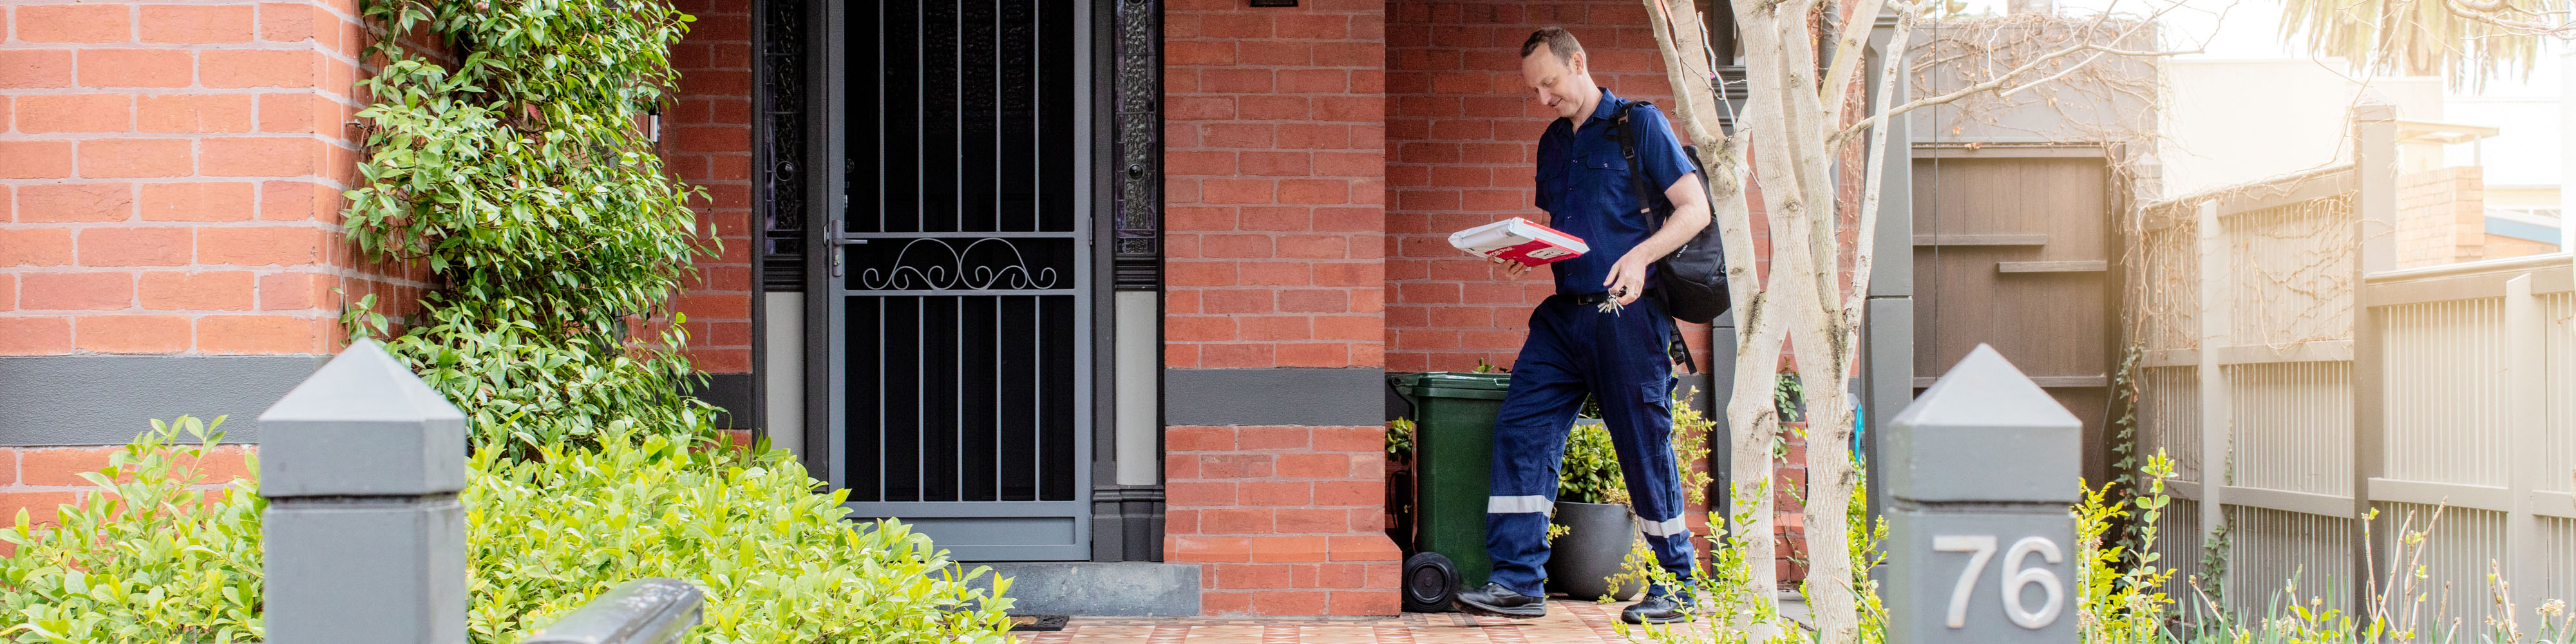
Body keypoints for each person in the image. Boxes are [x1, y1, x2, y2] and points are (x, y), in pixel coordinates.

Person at [1450, 26, 1712, 626]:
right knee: (1521, 430)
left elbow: (1694, 209)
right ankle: (1518, 581)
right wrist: (1526, 256)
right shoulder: (1551, 144)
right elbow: (1565, 233)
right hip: (1563, 319)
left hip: (1624, 315)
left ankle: (1677, 584)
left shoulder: (1638, 126)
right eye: (1535, 89)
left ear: (1579, 62)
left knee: (1643, 447)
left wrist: (1643, 256)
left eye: (1550, 83)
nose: (1544, 98)